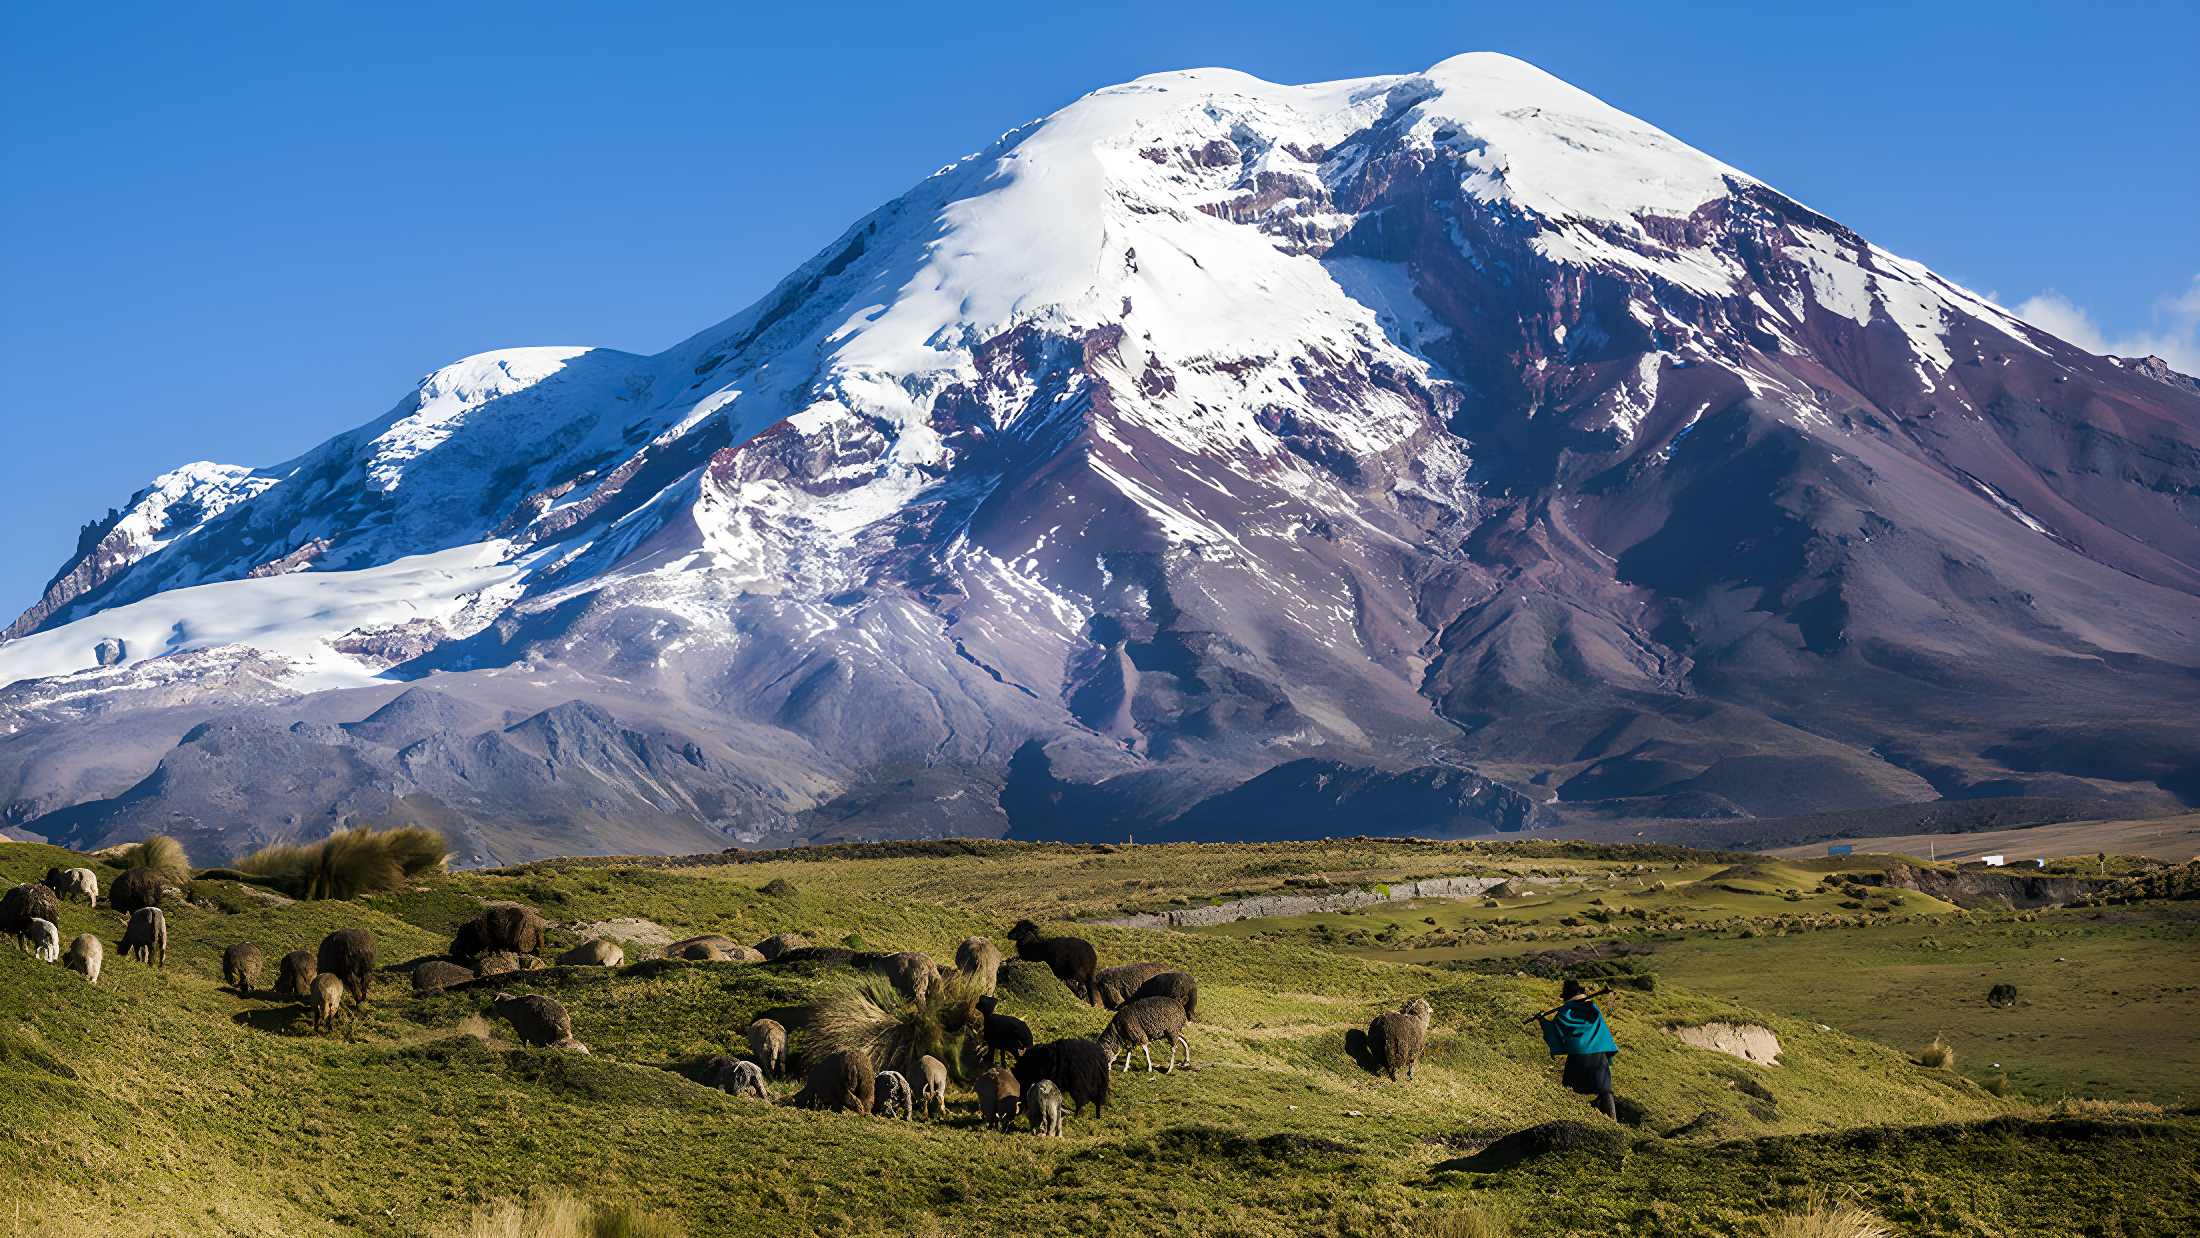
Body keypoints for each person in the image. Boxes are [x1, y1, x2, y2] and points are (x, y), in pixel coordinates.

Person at [1538, 978, 1619, 1120]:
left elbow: (1554, 1031)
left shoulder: (1565, 1010)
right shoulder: (1593, 1008)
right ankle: (1612, 1119)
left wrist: (1542, 1021)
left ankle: (1569, 1118)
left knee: (1570, 1087)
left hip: (1578, 1056)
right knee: (1604, 1088)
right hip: (1598, 1053)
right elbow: (1602, 1030)